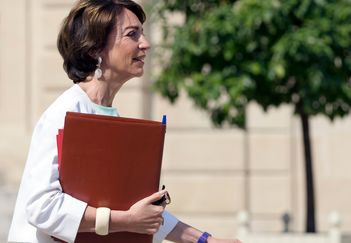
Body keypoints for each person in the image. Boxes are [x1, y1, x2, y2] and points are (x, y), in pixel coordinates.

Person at [7, 0, 242, 242]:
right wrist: (126, 221)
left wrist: (205, 240)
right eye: (133, 34)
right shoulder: (63, 114)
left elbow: (140, 211)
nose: (146, 44)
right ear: (94, 49)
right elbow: (41, 207)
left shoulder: (108, 118)